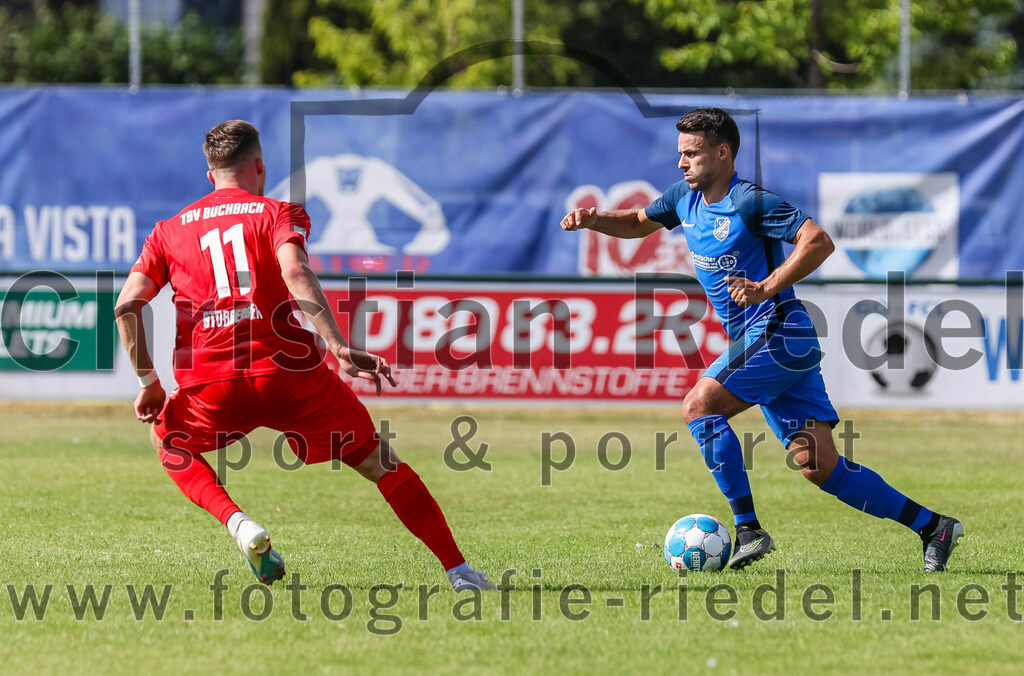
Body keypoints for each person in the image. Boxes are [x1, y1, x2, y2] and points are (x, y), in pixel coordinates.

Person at [560, 107, 962, 572]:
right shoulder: (682, 200)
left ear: (723, 152)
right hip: (770, 341)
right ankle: (934, 526)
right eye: (680, 154)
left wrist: (766, 287)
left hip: (778, 329)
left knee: (698, 406)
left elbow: (818, 241)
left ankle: (748, 528)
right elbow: (635, 223)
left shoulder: (750, 202)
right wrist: (593, 220)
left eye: (691, 154)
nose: (681, 163)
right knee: (819, 466)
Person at [115, 119, 494, 590]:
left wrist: (149, 382)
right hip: (288, 374)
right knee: (381, 464)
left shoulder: (167, 231)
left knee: (168, 440)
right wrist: (337, 344)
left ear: (210, 175)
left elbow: (127, 304)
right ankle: (460, 572)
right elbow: (294, 270)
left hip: (210, 381)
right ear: (259, 167)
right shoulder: (277, 211)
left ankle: (239, 525)